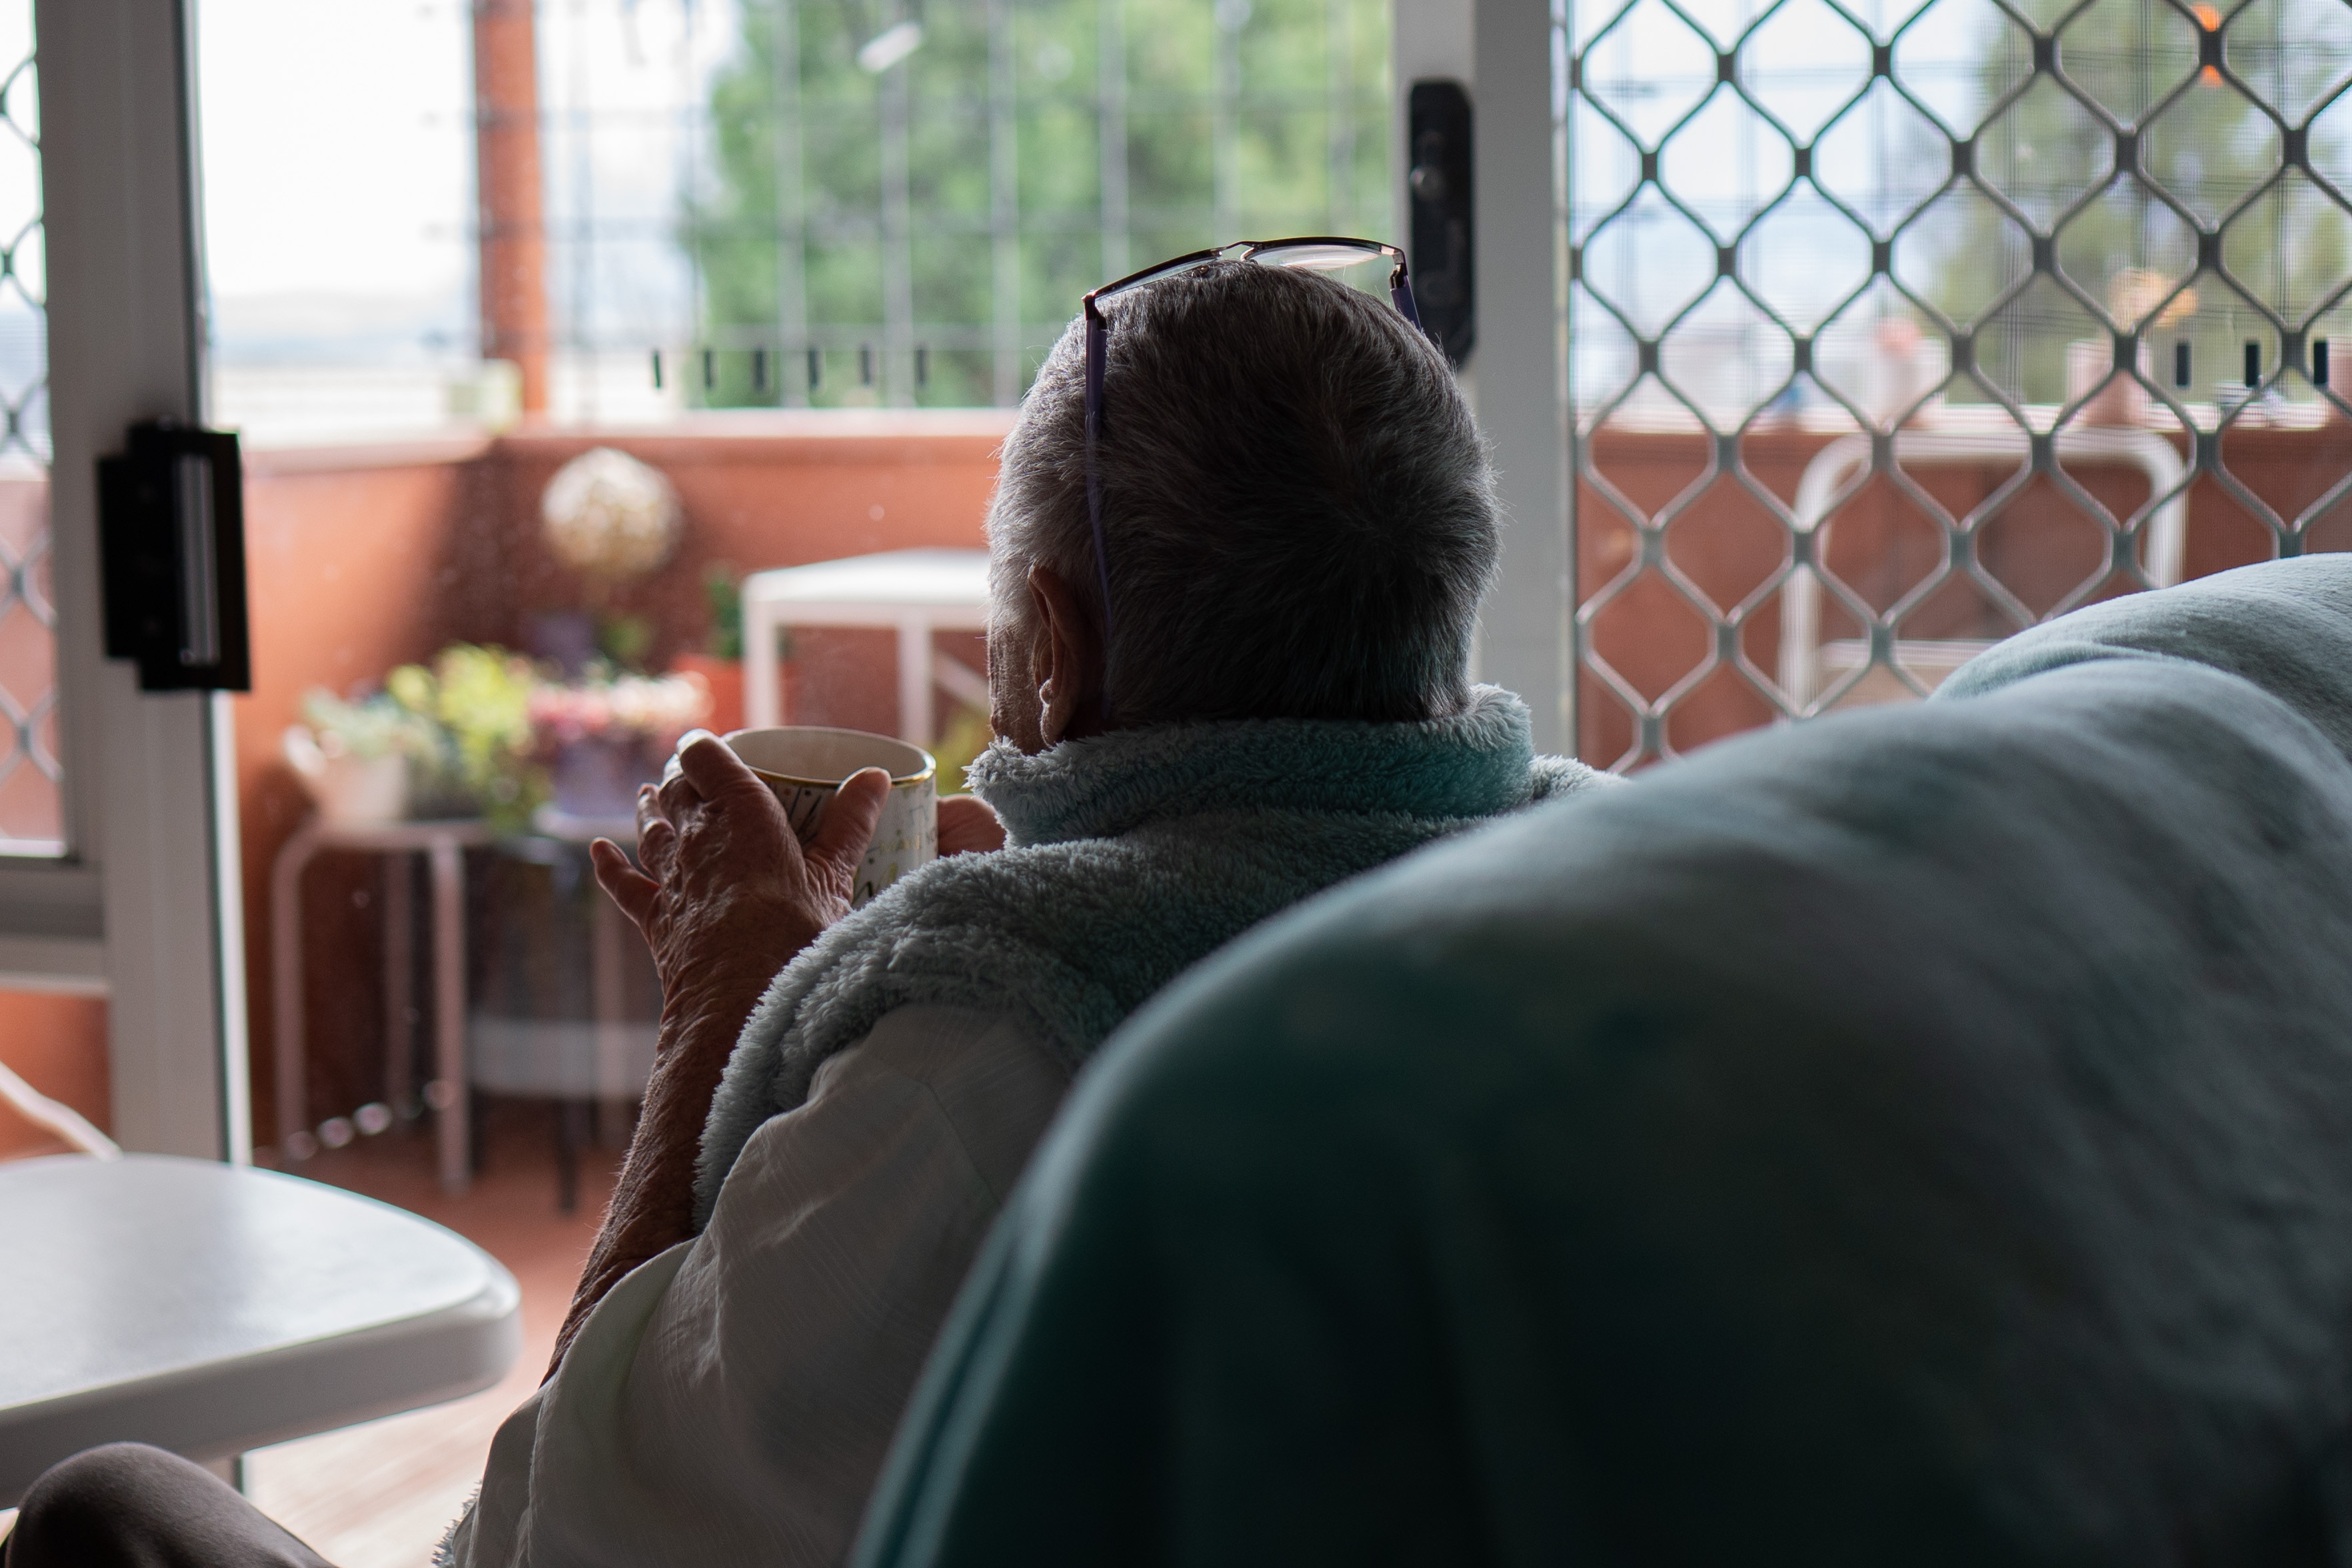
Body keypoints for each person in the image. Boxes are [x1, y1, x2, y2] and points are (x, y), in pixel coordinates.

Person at [3, 252, 1608, 1568]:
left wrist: (721, 1011)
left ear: (1052, 643)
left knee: (107, 1508)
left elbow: (544, 1547)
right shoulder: (1614, 903)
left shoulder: (994, 1056)